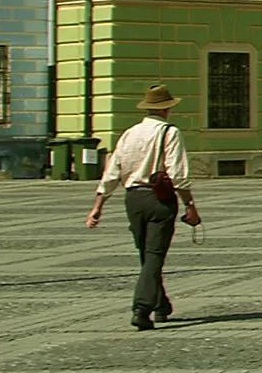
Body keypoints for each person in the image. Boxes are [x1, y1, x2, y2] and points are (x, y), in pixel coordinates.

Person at [86, 84, 201, 330]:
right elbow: (178, 173)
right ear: (167, 108)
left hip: (133, 199)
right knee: (154, 256)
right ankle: (142, 308)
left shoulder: (129, 133)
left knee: (146, 255)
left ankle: (161, 305)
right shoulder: (169, 133)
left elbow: (112, 171)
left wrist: (98, 205)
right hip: (159, 198)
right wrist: (189, 204)